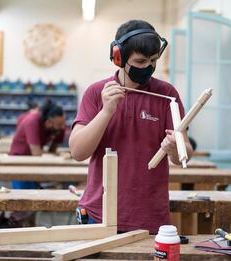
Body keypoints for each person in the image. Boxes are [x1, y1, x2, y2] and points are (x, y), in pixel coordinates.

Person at [69, 20, 193, 234]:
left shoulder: (167, 95)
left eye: (153, 60)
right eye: (140, 61)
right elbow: (78, 152)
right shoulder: (96, 92)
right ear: (119, 58)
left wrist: (176, 149)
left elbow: (185, 153)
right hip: (99, 215)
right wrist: (107, 111)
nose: (148, 67)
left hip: (150, 217)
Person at [9, 99, 66, 188]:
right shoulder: (32, 121)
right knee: (23, 196)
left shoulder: (58, 127)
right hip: (19, 161)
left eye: (63, 123)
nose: (62, 127)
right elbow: (36, 154)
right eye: (59, 125)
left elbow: (53, 149)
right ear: (48, 123)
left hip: (34, 161)